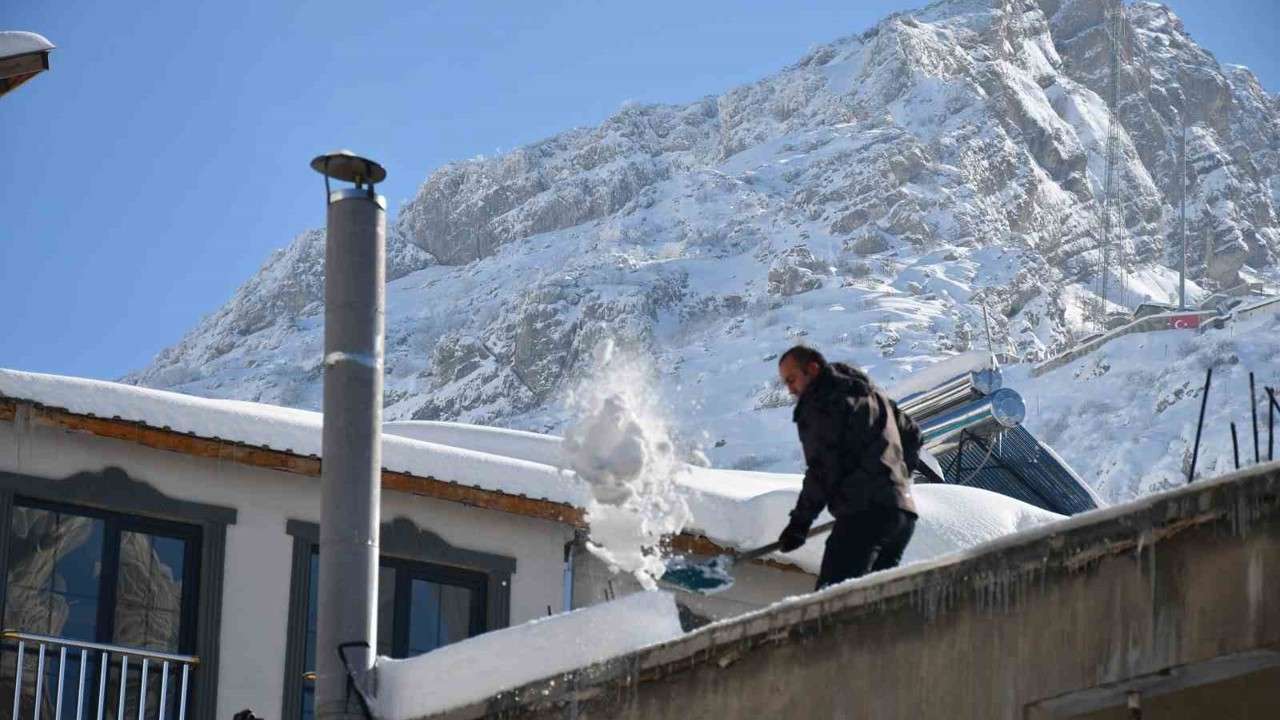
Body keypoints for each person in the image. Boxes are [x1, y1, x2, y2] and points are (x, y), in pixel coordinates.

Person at [775, 345, 922, 590]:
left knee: (830, 606)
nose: (790, 390)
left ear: (812, 368)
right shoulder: (870, 392)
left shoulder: (821, 401)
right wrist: (895, 480)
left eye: (792, 379)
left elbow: (821, 471)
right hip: (902, 517)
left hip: (865, 516)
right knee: (870, 605)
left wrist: (799, 525)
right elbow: (913, 435)